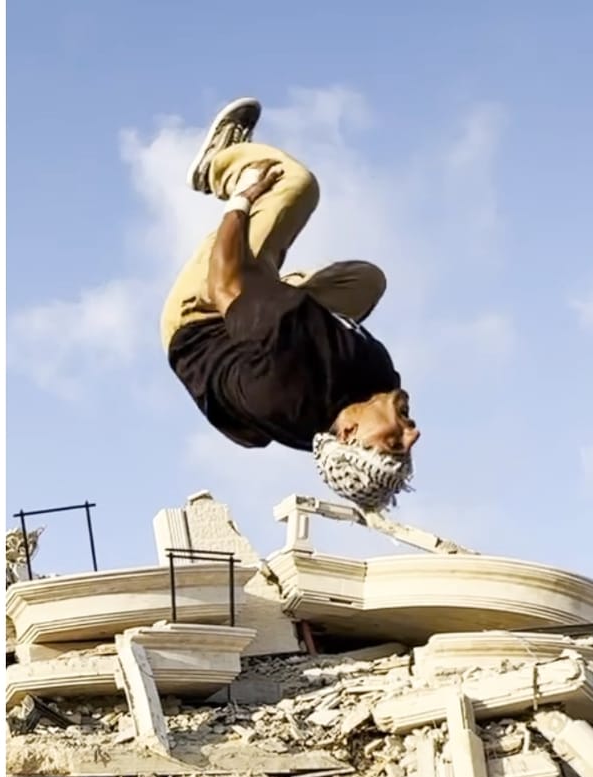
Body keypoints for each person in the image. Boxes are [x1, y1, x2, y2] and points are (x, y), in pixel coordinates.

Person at [160, 97, 421, 511]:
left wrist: (242, 201)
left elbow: (225, 282)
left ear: (349, 432)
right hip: (270, 331)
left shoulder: (286, 378)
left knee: (296, 184)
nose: (411, 435)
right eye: (404, 445)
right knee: (367, 281)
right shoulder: (379, 378)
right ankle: (277, 290)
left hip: (206, 314)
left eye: (392, 441)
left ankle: (217, 164)